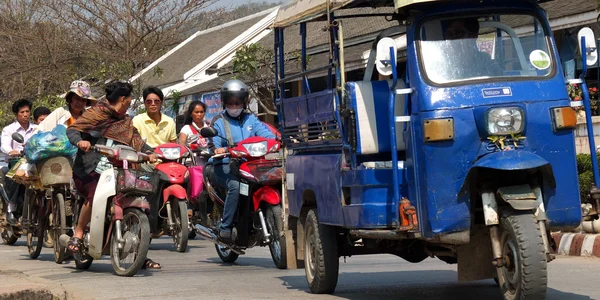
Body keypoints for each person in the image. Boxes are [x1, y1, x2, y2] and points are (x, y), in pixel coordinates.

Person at [66, 81, 161, 269]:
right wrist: (80, 143)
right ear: (123, 99)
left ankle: (140, 254)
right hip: (89, 168)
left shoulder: (125, 121)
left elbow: (137, 141)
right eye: (130, 98)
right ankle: (78, 234)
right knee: (94, 196)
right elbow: (73, 130)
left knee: (139, 200)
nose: (131, 101)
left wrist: (150, 153)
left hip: (118, 170)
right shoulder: (96, 113)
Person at [210, 79, 275, 242]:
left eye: (237, 102)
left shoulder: (251, 120)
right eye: (230, 103)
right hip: (224, 166)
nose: (234, 106)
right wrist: (218, 149)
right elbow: (213, 142)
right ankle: (225, 227)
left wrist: (278, 140)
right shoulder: (219, 121)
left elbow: (268, 135)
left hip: (250, 166)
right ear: (224, 102)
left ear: (244, 102)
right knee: (235, 186)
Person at [1, 99, 37, 224]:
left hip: (34, 161)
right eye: (22, 112)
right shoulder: (9, 129)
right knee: (17, 174)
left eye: (27, 111)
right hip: (16, 161)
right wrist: (11, 151)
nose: (25, 114)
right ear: (17, 114)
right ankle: (12, 208)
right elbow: (4, 145)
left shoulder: (36, 129)